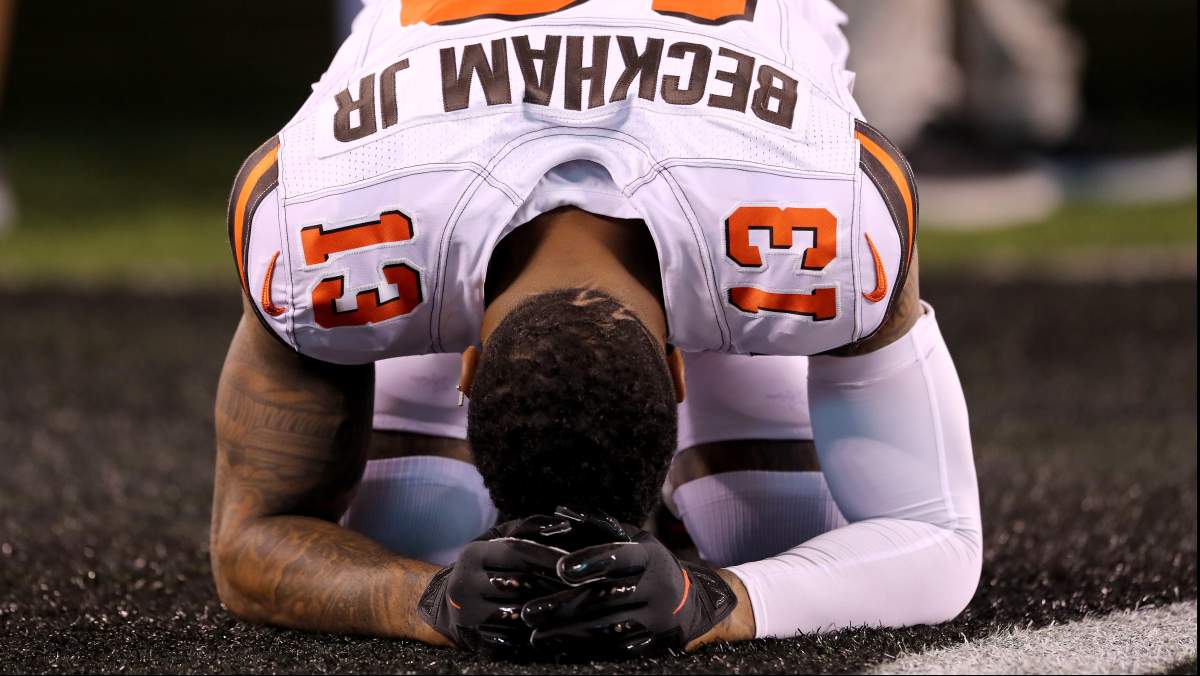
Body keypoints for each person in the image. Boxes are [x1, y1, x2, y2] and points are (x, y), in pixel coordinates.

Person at [211, 0, 981, 657]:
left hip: (471, 174)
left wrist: (717, 601)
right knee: (790, 547)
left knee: (775, 527)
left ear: (467, 367)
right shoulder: (831, 215)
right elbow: (931, 540)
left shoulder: (316, 225)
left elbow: (253, 537)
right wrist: (730, 600)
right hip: (723, 173)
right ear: (677, 372)